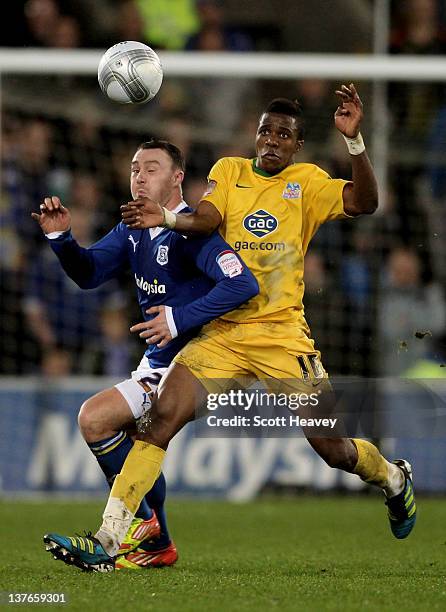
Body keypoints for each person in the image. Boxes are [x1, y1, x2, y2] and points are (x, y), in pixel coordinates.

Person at [45, 84, 417, 572]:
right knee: (160, 421)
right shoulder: (229, 171)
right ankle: (110, 540)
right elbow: (205, 221)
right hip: (223, 335)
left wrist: (355, 143)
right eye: (265, 130)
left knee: (332, 447)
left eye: (283, 135)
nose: (272, 140)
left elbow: (365, 202)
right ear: (255, 134)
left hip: (283, 336)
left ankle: (392, 478)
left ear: (296, 145)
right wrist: (168, 220)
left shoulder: (308, 182)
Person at [37, 139, 258, 571]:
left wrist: (178, 319)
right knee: (133, 440)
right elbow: (89, 274)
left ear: (177, 178)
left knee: (95, 417)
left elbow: (243, 285)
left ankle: (142, 527)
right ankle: (157, 540)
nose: (139, 176)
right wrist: (61, 238)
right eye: (135, 168)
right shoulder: (133, 229)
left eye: (152, 168)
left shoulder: (194, 232)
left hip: (196, 362)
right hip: (157, 361)